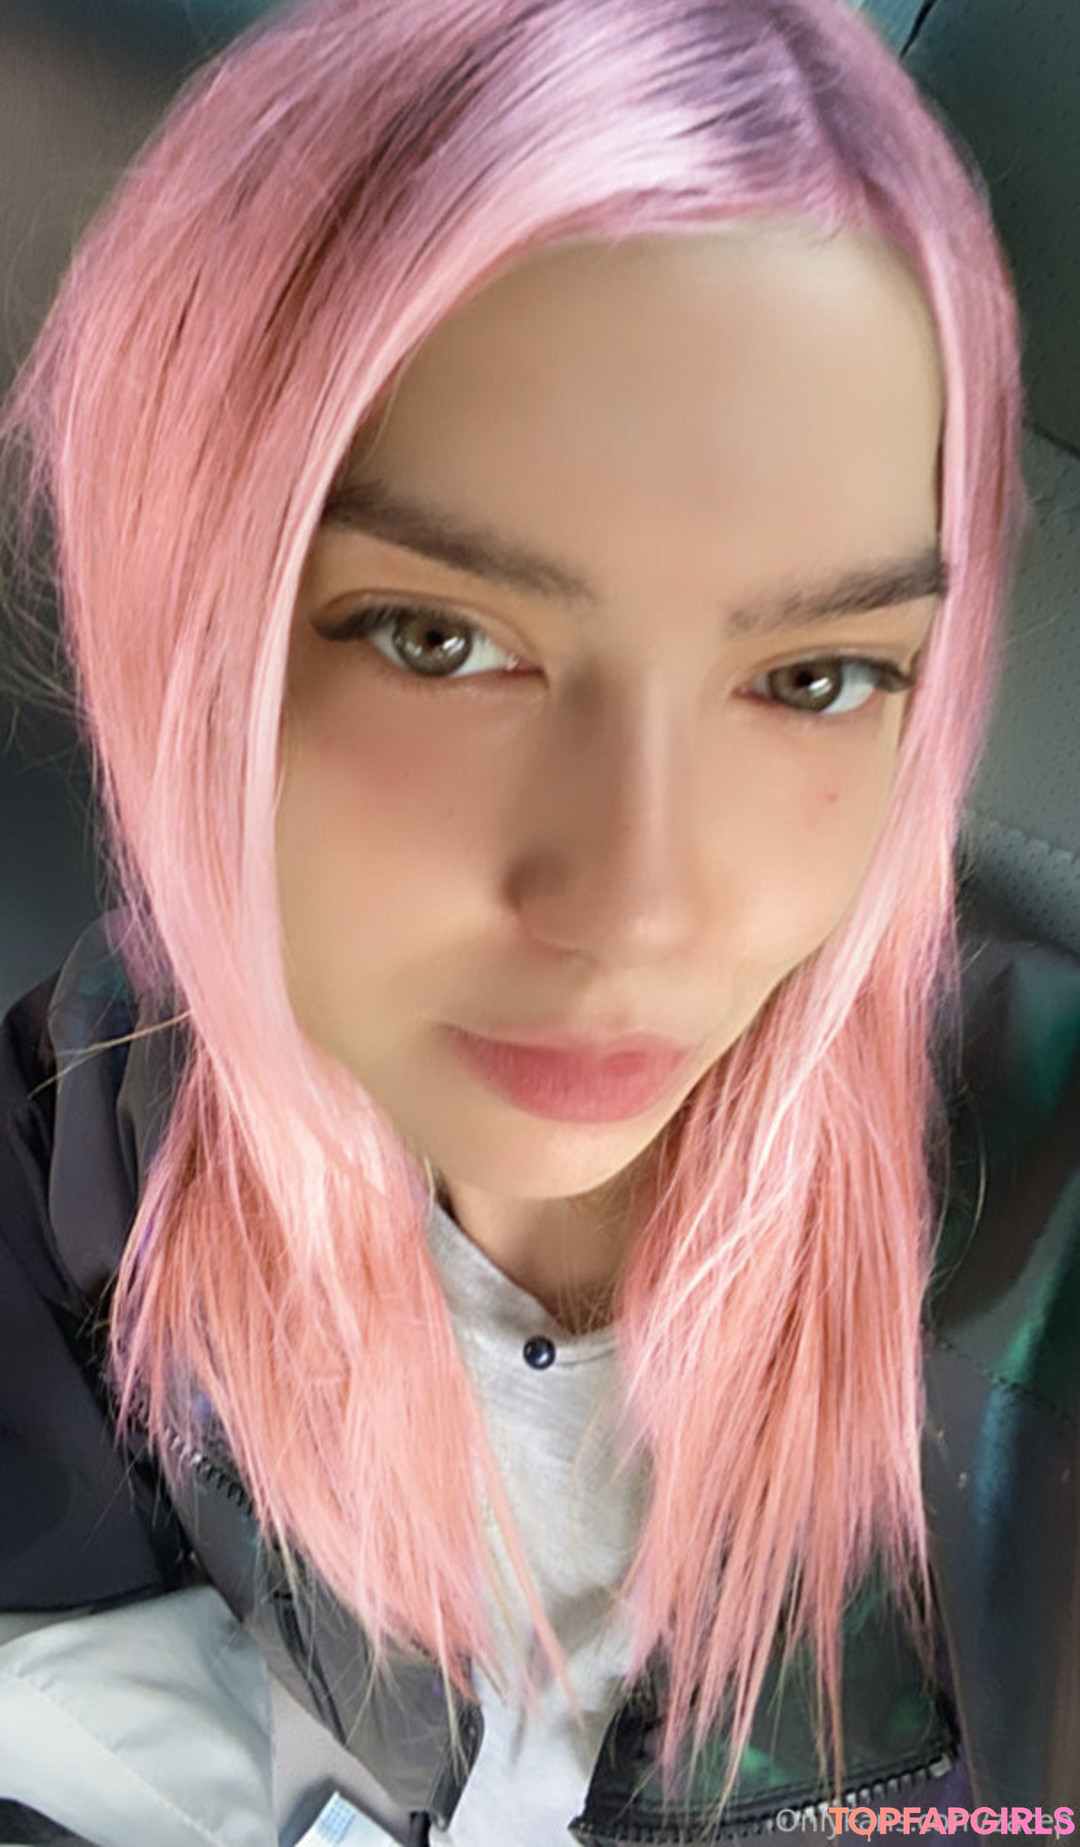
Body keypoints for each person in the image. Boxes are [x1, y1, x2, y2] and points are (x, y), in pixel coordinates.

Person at [0, 0, 1076, 1842]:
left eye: (815, 677)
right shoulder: (111, 1088)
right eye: (441, 641)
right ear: (194, 634)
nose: (641, 908)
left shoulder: (1038, 1234)